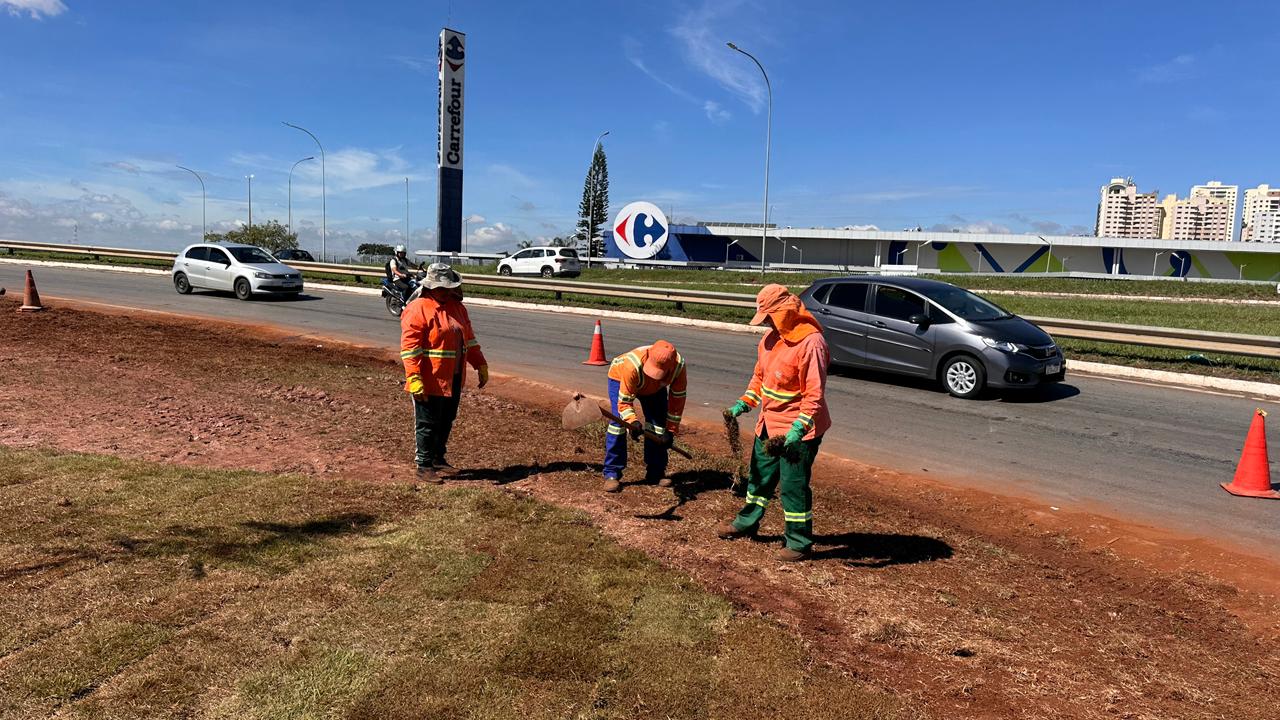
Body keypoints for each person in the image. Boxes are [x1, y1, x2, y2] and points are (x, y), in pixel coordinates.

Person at [719, 284, 831, 562]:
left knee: (793, 487)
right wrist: (743, 404)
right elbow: (760, 379)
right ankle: (747, 522)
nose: (766, 322)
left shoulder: (811, 343)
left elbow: (813, 395)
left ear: (785, 312)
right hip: (768, 425)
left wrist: (798, 429)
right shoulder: (769, 340)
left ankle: (798, 542)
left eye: (770, 316)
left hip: (798, 432)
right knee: (758, 477)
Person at [399, 263, 489, 483]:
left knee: (447, 419)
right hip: (428, 377)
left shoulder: (457, 308)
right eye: (441, 288)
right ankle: (424, 465)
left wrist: (480, 364)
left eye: (448, 288)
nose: (446, 291)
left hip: (453, 376)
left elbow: (470, 340)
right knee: (427, 422)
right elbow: (410, 349)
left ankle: (438, 458)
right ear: (430, 287)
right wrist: (414, 378)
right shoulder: (417, 308)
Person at [602, 340, 687, 493]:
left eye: (659, 373)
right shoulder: (631, 365)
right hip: (620, 377)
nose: (654, 376)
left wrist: (671, 430)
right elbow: (625, 402)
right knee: (619, 425)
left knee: (658, 426)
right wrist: (632, 422)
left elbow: (678, 398)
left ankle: (656, 472)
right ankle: (612, 473)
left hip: (654, 390)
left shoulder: (678, 367)